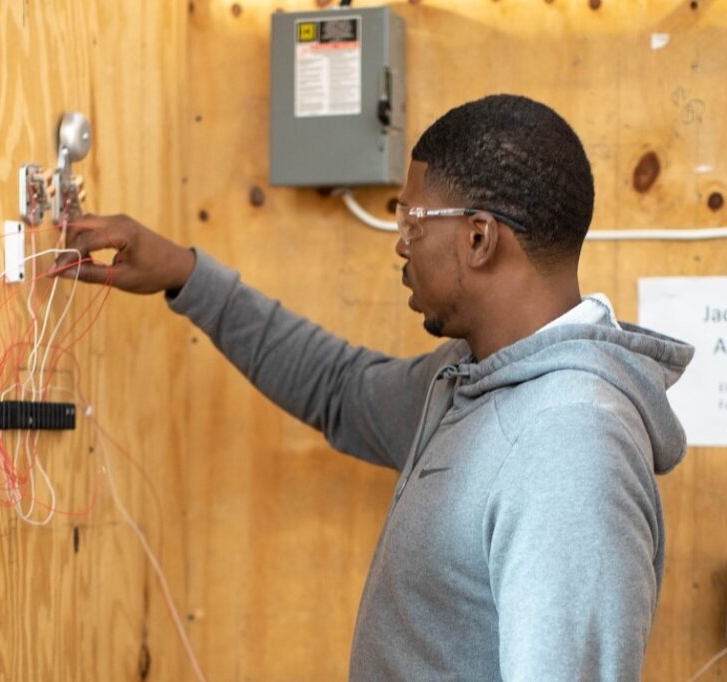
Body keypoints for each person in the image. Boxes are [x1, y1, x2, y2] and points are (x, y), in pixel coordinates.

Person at [52, 94, 694, 681]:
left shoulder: (569, 442)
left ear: (478, 237)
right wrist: (186, 274)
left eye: (411, 222)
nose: (401, 247)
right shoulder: (469, 381)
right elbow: (339, 386)